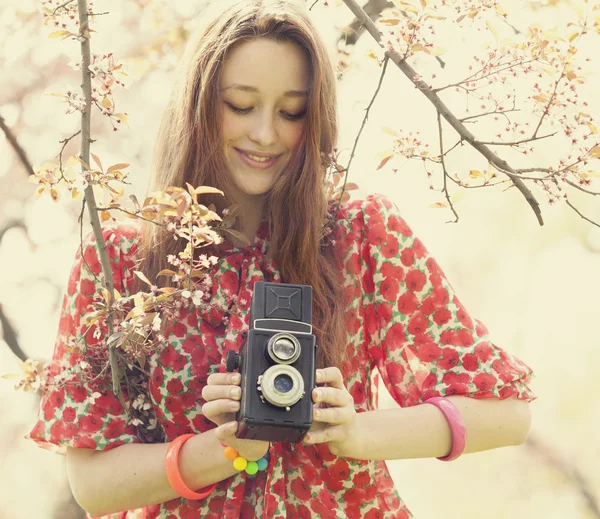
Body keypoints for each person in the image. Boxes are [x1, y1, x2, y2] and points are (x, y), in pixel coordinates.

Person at [27, 0, 536, 518]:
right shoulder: (122, 259)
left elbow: (508, 415)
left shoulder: (358, 233)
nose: (265, 134)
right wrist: (224, 449)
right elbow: (91, 481)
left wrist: (353, 430)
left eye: (292, 111)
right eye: (241, 105)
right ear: (199, 104)